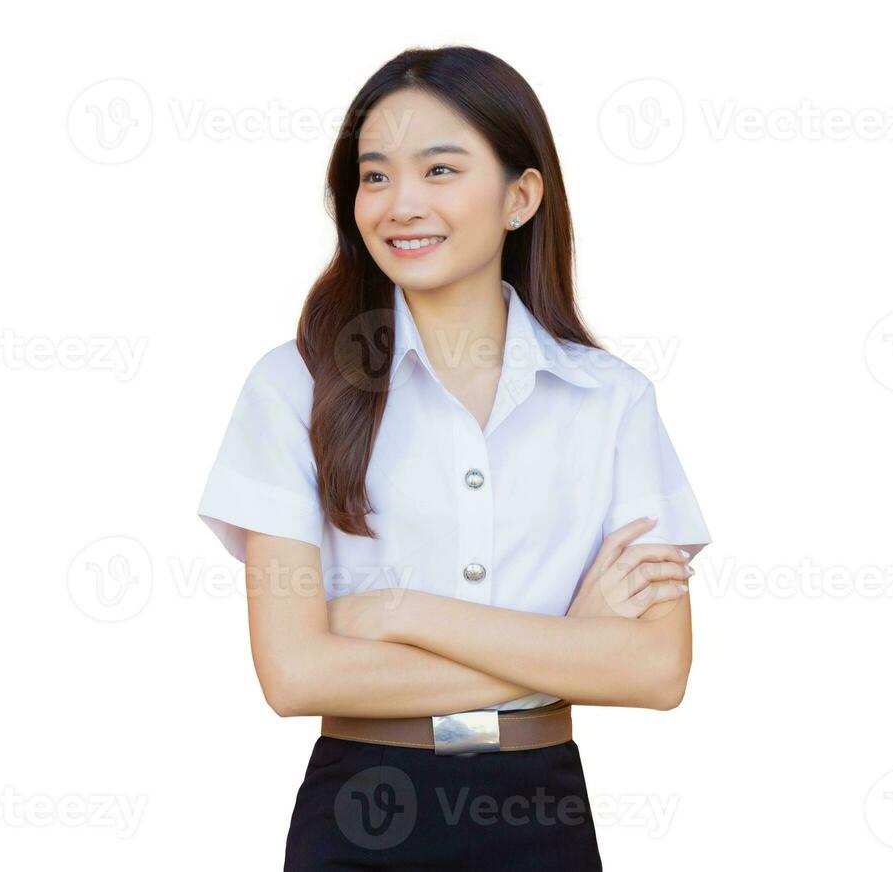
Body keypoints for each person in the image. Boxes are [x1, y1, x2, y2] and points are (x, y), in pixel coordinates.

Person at [196, 46, 712, 869]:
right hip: (362, 805)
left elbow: (656, 671)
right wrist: (567, 648)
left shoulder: (612, 400)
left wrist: (399, 612)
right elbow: (293, 675)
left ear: (520, 196)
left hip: (542, 811)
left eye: (439, 171)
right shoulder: (292, 386)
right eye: (374, 177)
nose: (400, 205)